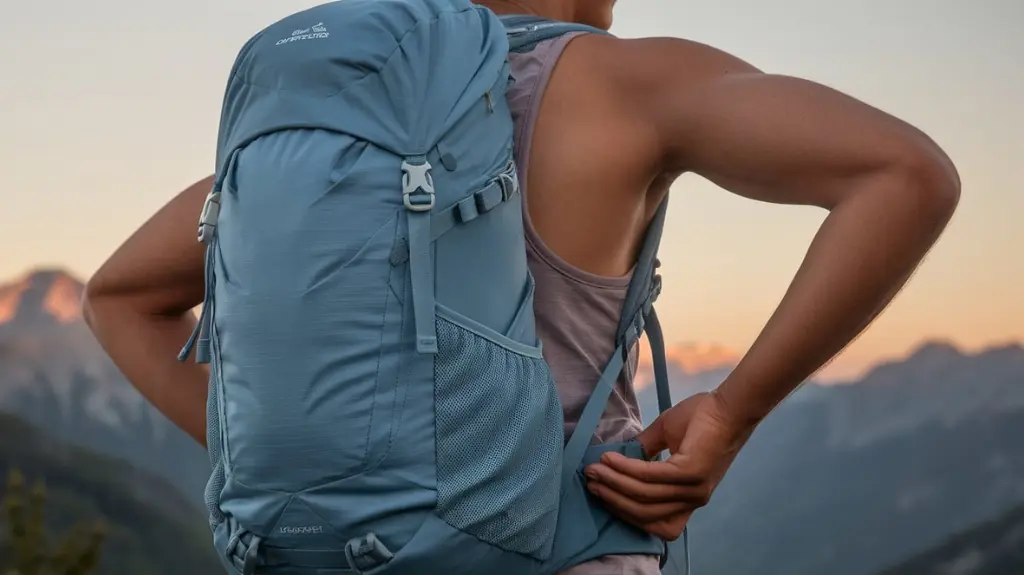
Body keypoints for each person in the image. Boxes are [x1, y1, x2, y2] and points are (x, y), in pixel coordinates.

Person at [82, 0, 960, 573]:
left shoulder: (351, 133)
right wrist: (732, 413)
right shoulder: (627, 81)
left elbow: (117, 296)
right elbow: (906, 175)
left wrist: (317, 455)